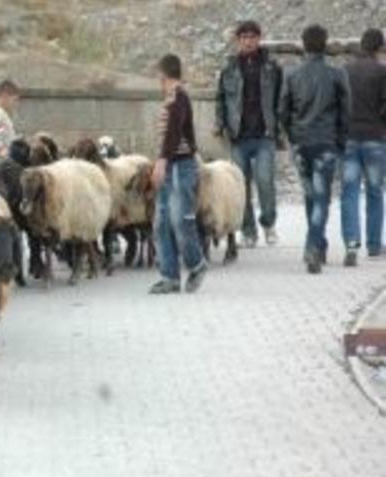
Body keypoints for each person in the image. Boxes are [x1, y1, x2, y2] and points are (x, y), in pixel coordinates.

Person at [279, 24, 351, 274]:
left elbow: (283, 111)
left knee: (310, 195)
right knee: (321, 198)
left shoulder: (292, 75)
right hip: (326, 143)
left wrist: (293, 137)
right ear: (325, 44)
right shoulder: (336, 75)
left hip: (301, 143)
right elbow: (346, 112)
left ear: (303, 44)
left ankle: (317, 245)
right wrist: (340, 140)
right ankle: (314, 246)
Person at [214, 20, 283, 248]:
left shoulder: (272, 67)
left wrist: (280, 126)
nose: (248, 41)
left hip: (264, 135)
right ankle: (248, 231)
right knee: (241, 187)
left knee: (265, 182)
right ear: (238, 40)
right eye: (244, 37)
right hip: (239, 136)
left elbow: (281, 99)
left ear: (259, 39)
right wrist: (219, 124)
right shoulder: (229, 69)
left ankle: (269, 223)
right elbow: (221, 99)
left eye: (252, 37)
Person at [149, 54, 207, 294]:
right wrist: (161, 161)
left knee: (180, 220)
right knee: (161, 222)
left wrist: (162, 161)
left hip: (181, 166)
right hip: (169, 167)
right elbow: (168, 135)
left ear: (162, 74)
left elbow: (174, 132)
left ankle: (197, 264)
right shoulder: (171, 97)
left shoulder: (178, 97)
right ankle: (169, 276)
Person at [340, 28, 386, 266]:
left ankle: (351, 243)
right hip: (375, 138)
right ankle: (374, 244)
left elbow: (337, 104)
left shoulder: (345, 70)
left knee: (349, 192)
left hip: (348, 138)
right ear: (380, 48)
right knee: (375, 191)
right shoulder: (382, 71)